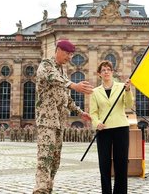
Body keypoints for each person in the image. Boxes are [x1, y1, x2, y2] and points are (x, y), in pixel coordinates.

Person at [33, 39, 93, 194]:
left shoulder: (63, 71)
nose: (69, 57)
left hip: (59, 122)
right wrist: (73, 85)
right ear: (58, 50)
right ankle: (40, 190)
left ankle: (48, 188)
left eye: (71, 54)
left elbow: (66, 98)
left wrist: (80, 112)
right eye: (67, 53)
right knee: (45, 158)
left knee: (55, 160)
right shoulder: (47, 65)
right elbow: (52, 77)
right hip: (47, 121)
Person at [90, 60, 133, 194]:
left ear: (112, 72)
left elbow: (129, 105)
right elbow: (93, 112)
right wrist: (97, 123)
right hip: (104, 130)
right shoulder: (95, 92)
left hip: (121, 128)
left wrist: (127, 90)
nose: (106, 71)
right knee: (104, 164)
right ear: (99, 74)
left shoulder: (121, 87)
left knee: (121, 163)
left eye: (108, 69)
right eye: (103, 70)